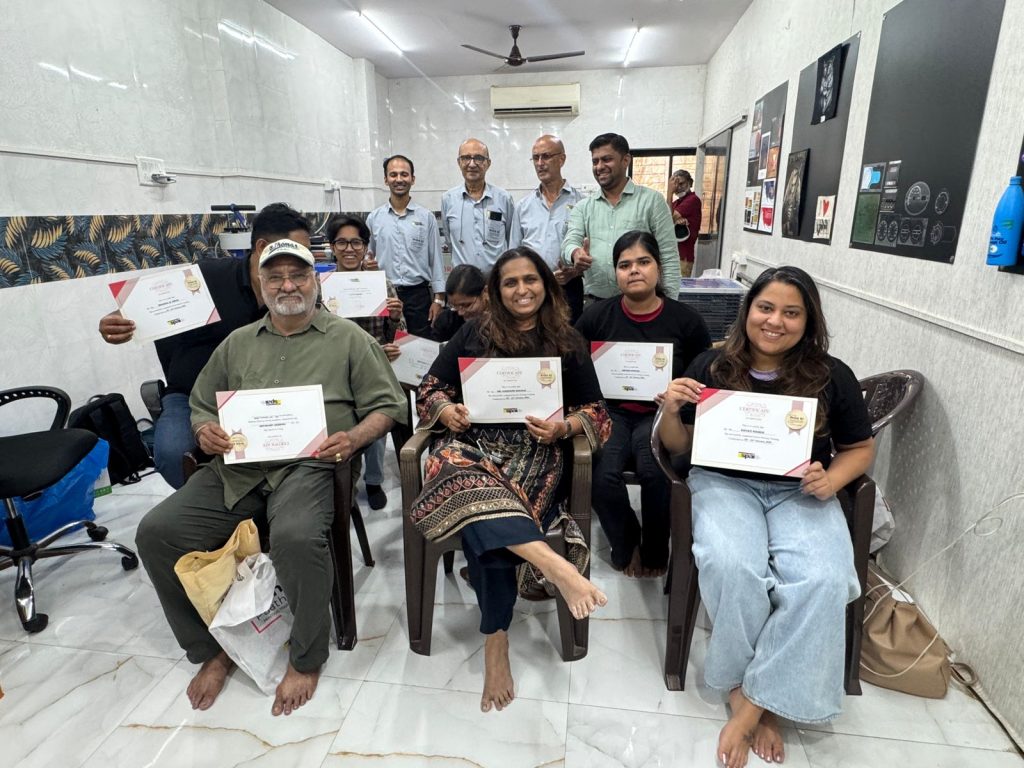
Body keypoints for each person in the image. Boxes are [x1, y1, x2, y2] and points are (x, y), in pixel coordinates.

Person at [136, 238, 407, 717]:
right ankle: (213, 650)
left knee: (296, 536)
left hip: (313, 465)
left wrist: (354, 438)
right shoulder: (237, 343)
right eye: (275, 277)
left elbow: (388, 406)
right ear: (261, 286)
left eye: (298, 275)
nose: (287, 286)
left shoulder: (349, 339)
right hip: (239, 467)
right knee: (157, 532)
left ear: (315, 282)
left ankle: (306, 656)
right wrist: (204, 430)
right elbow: (201, 402)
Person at [656, 266, 875, 768]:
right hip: (723, 484)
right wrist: (669, 410)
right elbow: (678, 446)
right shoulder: (712, 365)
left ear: (809, 320)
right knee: (733, 565)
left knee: (825, 578)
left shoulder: (831, 374)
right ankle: (753, 692)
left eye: (791, 313)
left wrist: (833, 479)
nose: (775, 321)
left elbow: (860, 448)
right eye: (766, 308)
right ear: (748, 310)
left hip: (801, 492)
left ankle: (753, 698)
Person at [410, 247, 610, 713]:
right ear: (496, 292)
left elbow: (598, 414)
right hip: (472, 451)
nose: (522, 290)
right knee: (455, 470)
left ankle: (495, 639)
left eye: (530, 279)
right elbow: (430, 388)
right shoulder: (474, 332)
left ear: (546, 284)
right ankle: (555, 566)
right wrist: (447, 410)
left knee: (489, 513)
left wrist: (564, 428)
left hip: (537, 456)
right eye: (510, 282)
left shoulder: (567, 340)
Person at [98, 203, 310, 489]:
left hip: (263, 395)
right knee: (173, 453)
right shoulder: (205, 278)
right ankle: (210, 506)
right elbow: (140, 312)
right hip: (193, 394)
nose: (302, 261)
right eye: (296, 250)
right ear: (262, 247)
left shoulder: (297, 290)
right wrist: (116, 323)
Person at [574, 231, 710, 577]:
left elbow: (702, 378)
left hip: (662, 414)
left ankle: (655, 550)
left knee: (655, 471)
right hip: (610, 413)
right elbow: (573, 367)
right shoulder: (596, 318)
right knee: (600, 475)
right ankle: (626, 544)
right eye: (624, 265)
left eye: (643, 262)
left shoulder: (686, 321)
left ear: (659, 268)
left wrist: (678, 401)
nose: (634, 270)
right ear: (615, 273)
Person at [326, 213, 406, 510]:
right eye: (342, 243)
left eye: (356, 243)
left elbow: (399, 336)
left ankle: (373, 480)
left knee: (376, 410)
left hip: (375, 366)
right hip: (334, 369)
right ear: (332, 247)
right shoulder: (321, 289)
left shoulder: (382, 285)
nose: (350, 249)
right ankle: (337, 478)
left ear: (365, 247)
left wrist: (395, 320)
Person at [562, 133, 680, 301]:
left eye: (606, 159)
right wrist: (574, 252)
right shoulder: (583, 207)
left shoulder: (652, 201)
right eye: (595, 161)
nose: (599, 167)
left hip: (642, 303)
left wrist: (670, 303)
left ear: (625, 160)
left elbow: (668, 257)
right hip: (597, 304)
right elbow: (569, 242)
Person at [365, 154, 445, 337]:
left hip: (418, 296)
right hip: (385, 294)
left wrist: (439, 300)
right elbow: (367, 256)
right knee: (387, 343)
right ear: (386, 180)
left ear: (412, 179)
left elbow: (436, 260)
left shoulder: (426, 218)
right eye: (393, 175)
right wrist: (366, 263)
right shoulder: (374, 218)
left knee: (419, 346)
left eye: (404, 174)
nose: (399, 179)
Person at [509, 134, 585, 322]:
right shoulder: (523, 207)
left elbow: (589, 251)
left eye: (546, 156)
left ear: (562, 159)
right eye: (536, 158)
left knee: (569, 336)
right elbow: (513, 254)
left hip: (569, 287)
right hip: (532, 289)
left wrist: (576, 271)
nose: (540, 163)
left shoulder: (582, 203)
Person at [440, 138, 514, 272]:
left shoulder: (504, 199)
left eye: (478, 158)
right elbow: (449, 242)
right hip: (463, 281)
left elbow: (511, 241)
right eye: (466, 158)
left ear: (488, 163)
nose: (472, 164)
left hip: (496, 280)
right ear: (459, 162)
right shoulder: (448, 199)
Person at [430, 264, 487, 343]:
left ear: (485, 293)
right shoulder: (446, 322)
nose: (460, 312)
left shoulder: (500, 322)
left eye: (466, 305)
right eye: (454, 306)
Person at [668, 169, 702, 277]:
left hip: (683, 257)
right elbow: (664, 219)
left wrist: (669, 192)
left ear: (690, 183)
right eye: (675, 185)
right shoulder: (676, 203)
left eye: (681, 183)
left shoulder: (693, 200)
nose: (678, 187)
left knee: (679, 287)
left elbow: (668, 218)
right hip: (673, 255)